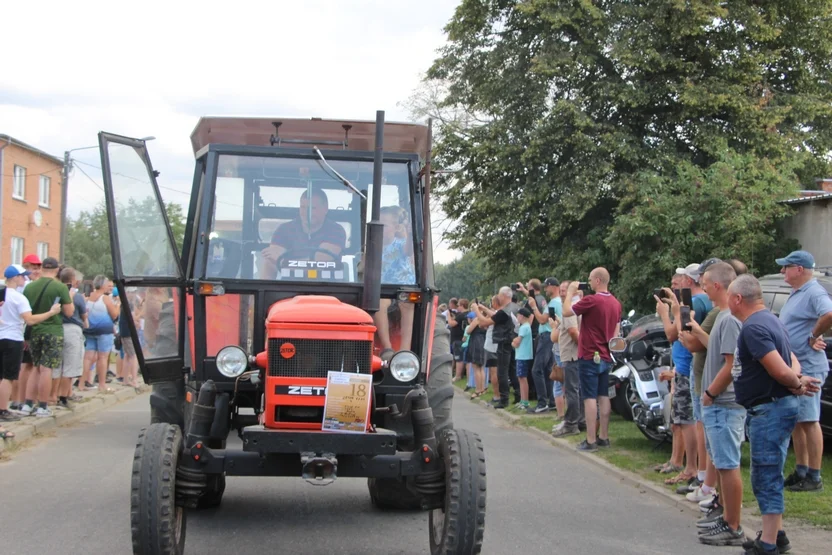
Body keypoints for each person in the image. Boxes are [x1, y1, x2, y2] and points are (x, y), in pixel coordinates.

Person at [730, 274, 821, 555]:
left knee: (766, 473)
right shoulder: (772, 320)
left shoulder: (753, 327)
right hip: (775, 407)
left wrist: (795, 383)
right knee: (769, 470)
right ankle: (776, 534)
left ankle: (768, 544)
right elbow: (791, 359)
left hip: (770, 408)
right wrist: (797, 378)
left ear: (737, 299)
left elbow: (777, 368)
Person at [687, 262, 746, 546]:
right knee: (721, 463)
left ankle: (733, 525)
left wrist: (710, 392)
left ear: (718, 286)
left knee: (728, 464)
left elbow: (732, 365)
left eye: (706, 282)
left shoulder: (731, 320)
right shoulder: (722, 315)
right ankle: (723, 512)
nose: (703, 286)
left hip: (725, 402)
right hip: (715, 403)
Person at [775, 250, 832, 493]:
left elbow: (829, 313)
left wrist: (813, 335)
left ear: (799, 269)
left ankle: (815, 477)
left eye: (786, 267)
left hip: (809, 365)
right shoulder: (797, 292)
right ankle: (801, 470)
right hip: (796, 365)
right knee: (798, 421)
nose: (782, 271)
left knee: (809, 421)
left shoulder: (814, 291)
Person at [658, 264, 713, 487]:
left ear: (689, 282)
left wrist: (666, 314)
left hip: (688, 365)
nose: (675, 287)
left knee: (687, 420)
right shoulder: (700, 302)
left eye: (678, 283)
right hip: (684, 365)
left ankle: (692, 468)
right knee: (680, 419)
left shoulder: (697, 302)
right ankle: (681, 463)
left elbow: (674, 333)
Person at [563, 268, 622, 451]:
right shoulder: (615, 303)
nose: (588, 283)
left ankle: (590, 440)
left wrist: (571, 292)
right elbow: (616, 331)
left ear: (597, 280)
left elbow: (566, 312)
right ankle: (603, 436)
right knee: (604, 395)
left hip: (589, 353)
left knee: (589, 397)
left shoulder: (591, 300)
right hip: (605, 354)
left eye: (589, 280)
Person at [1, 265, 62, 427]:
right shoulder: (18, 297)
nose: (25, 279)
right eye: (22, 276)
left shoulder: (2, 294)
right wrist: (51, 312)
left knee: (2, 376)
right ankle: (2, 410)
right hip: (13, 338)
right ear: (15, 278)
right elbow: (30, 320)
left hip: (1, 336)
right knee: (8, 377)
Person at [19, 257, 73, 417]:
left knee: (35, 366)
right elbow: (69, 312)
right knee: (46, 368)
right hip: (53, 330)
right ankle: (43, 405)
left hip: (34, 330)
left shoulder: (30, 287)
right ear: (57, 270)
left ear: (42, 268)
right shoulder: (60, 287)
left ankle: (28, 404)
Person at [259, 188, 347, 279]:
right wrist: (263, 291)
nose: (306, 213)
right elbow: (272, 261)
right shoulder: (284, 230)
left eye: (312, 208)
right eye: (303, 207)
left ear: (325, 209)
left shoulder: (336, 231)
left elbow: (319, 263)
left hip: (329, 289)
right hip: (288, 288)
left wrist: (283, 262)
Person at [372, 206, 416, 356]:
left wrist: (410, 234)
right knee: (378, 303)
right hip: (384, 290)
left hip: (403, 287)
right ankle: (388, 348)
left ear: (396, 228)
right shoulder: (374, 248)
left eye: (384, 225)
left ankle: (405, 349)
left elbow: (408, 250)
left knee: (408, 304)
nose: (381, 229)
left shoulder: (399, 244)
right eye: (379, 225)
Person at [522, 277, 561, 414]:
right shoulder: (558, 301)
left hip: (546, 337)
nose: (545, 289)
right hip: (551, 337)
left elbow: (542, 320)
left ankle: (542, 402)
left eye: (547, 286)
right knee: (548, 371)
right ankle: (551, 401)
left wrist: (533, 306)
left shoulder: (553, 303)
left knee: (536, 369)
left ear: (554, 286)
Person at [474, 287, 516, 409]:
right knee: (512, 370)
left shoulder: (504, 311)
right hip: (511, 340)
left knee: (501, 372)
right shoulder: (513, 307)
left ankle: (503, 399)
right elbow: (496, 316)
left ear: (503, 296)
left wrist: (477, 311)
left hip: (502, 341)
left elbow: (484, 323)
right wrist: (484, 309)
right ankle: (517, 396)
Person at [553, 281, 585, 437]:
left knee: (572, 391)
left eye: (565, 290)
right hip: (572, 354)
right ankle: (579, 420)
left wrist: (583, 348)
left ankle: (572, 423)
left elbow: (573, 331)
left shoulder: (571, 307)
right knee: (576, 390)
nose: (562, 293)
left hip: (572, 355)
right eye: (561, 290)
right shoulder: (574, 306)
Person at [54, 267, 87, 409]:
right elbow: (83, 315)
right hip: (72, 329)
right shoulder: (75, 295)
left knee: (57, 365)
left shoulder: (55, 290)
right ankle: (64, 396)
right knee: (70, 364)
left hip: (56, 328)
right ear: (73, 280)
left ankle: (53, 395)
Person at [82, 276, 120, 393]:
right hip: (104, 331)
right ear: (103, 285)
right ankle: (102, 384)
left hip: (90, 330)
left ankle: (82, 383)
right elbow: (114, 315)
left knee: (88, 357)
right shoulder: (105, 298)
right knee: (102, 357)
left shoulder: (89, 298)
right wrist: (118, 305)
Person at [512, 307, 534, 409]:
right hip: (523, 355)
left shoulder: (524, 327)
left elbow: (517, 342)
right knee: (521, 377)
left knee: (522, 378)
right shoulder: (527, 326)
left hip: (523, 355)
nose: (517, 317)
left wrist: (513, 341)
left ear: (521, 316)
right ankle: (523, 400)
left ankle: (525, 401)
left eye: (517, 315)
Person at [449, 299, 469, 382]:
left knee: (458, 358)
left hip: (458, 339)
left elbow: (452, 323)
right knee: (462, 358)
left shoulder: (461, 315)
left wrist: (448, 316)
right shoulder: (467, 314)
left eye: (458, 305)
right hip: (464, 338)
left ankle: (458, 376)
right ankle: (461, 375)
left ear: (462, 306)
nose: (457, 307)